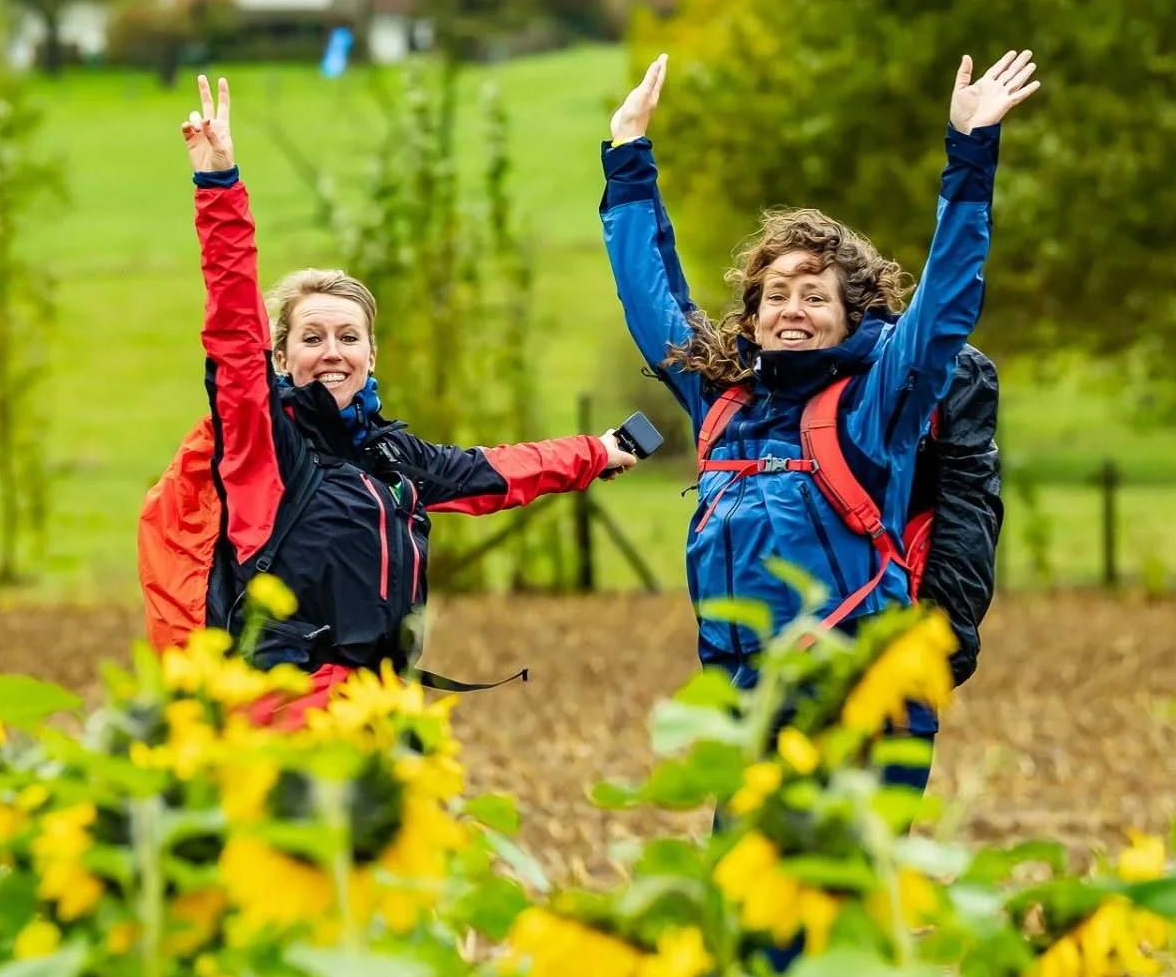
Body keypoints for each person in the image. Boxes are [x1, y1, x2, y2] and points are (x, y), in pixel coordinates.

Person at [600, 49, 1039, 792]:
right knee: (745, 905)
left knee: (847, 905)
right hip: (749, 707)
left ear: (849, 319)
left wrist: (970, 156)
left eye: (813, 296)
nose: (791, 310)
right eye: (775, 295)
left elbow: (942, 309)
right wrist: (627, 163)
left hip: (862, 711)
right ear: (754, 313)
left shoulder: (875, 409)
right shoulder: (724, 408)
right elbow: (654, 306)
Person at [177, 74, 639, 719]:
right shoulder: (263, 442)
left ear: (372, 356)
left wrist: (596, 450)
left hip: (377, 711)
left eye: (349, 336)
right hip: (280, 713)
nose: (332, 351)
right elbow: (233, 323)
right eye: (312, 337)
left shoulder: (392, 458)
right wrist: (220, 185)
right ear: (282, 358)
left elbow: (495, 470)